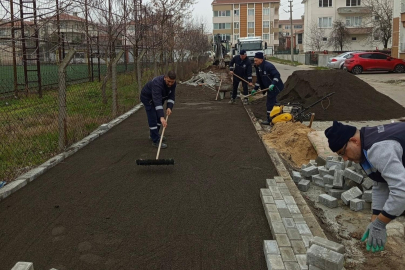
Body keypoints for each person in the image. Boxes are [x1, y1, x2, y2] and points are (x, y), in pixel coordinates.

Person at [324, 120, 405, 253]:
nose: (344, 159)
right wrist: (374, 219)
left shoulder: (378, 149)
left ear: (354, 141)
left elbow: (402, 190)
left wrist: (380, 224)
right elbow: (380, 182)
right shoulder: (365, 145)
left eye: (343, 152)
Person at [140, 71, 176, 149]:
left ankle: (154, 135)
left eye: (172, 82)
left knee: (159, 118)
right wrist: (161, 116)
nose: (170, 84)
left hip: (159, 98)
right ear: (165, 78)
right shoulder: (157, 83)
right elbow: (157, 101)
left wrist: (169, 107)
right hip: (148, 98)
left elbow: (172, 96)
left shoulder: (173, 83)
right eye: (168, 81)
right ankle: (155, 141)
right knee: (153, 117)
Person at [251, 52, 284, 125]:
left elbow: (277, 75)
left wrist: (273, 84)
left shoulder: (269, 66)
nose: (255, 62)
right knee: (274, 103)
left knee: (269, 104)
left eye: (256, 60)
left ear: (261, 60)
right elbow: (259, 80)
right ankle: (277, 117)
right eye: (254, 60)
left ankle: (269, 120)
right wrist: (255, 89)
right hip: (269, 88)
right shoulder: (258, 67)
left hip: (275, 87)